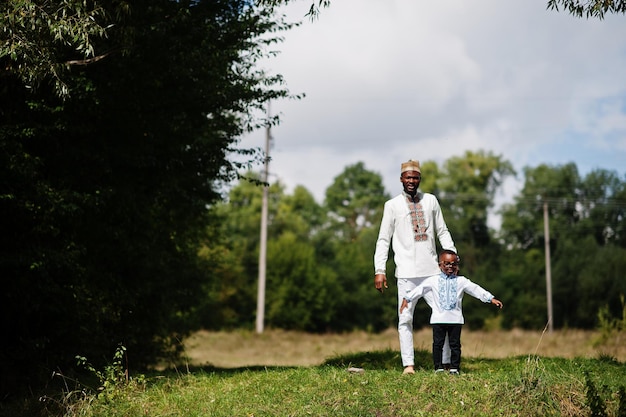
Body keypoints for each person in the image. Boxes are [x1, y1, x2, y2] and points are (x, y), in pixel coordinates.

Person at [374, 159, 457, 375]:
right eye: (408, 177)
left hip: (432, 271)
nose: (411, 181)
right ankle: (408, 365)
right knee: (405, 318)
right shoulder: (392, 206)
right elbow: (383, 240)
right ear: (401, 179)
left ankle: (446, 363)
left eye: (415, 177)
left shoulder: (430, 201)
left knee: (444, 315)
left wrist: (452, 255)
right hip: (406, 274)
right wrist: (379, 270)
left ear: (420, 179)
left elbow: (442, 231)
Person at [400, 249, 504, 375]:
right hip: (438, 319)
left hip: (455, 319)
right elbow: (420, 289)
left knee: (455, 345)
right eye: (447, 264)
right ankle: (438, 367)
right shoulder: (433, 280)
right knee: (438, 344)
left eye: (453, 264)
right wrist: (407, 299)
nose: (450, 267)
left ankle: (454, 368)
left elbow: (475, 289)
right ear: (440, 265)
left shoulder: (461, 281)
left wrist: (490, 298)